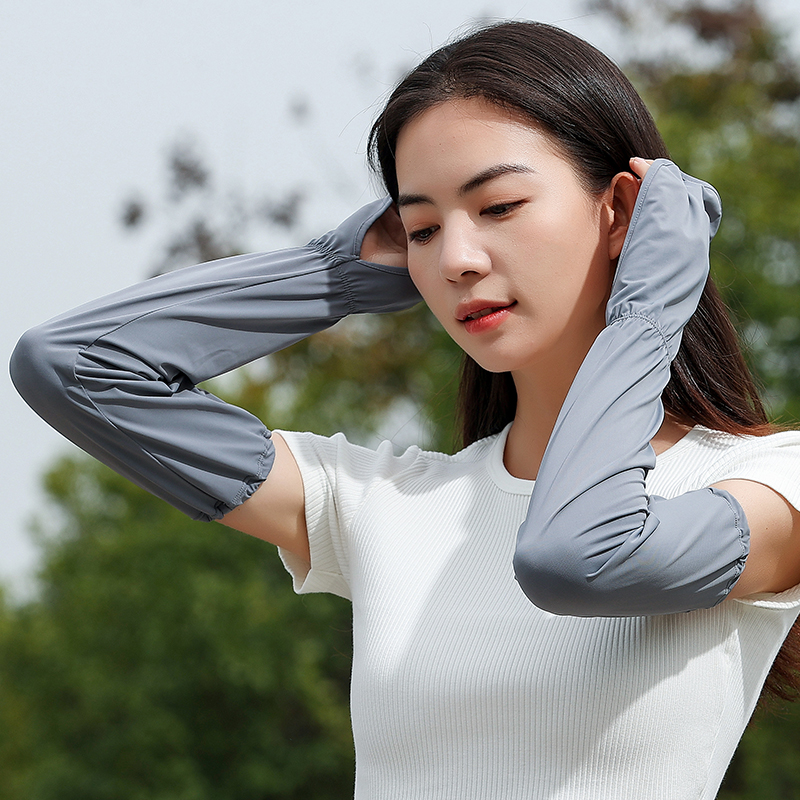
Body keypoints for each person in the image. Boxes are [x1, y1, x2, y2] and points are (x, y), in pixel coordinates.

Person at [10, 19, 800, 799]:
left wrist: (650, 312)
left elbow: (578, 555)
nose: (455, 258)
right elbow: (75, 367)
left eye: (497, 207)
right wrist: (333, 275)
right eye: (422, 227)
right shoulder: (381, 507)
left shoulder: (770, 483)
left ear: (624, 212)